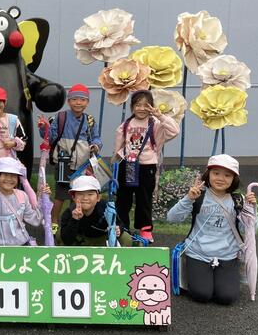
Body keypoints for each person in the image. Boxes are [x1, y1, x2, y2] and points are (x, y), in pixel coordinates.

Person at [166, 154, 258, 305]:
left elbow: (249, 230)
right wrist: (188, 199)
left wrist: (251, 209)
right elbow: (172, 218)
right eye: (216, 173)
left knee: (227, 297)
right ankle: (201, 276)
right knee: (202, 294)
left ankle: (216, 279)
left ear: (234, 179)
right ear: (208, 174)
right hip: (198, 252)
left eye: (227, 175)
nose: (221, 178)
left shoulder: (238, 200)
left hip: (227, 255)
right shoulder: (198, 195)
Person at [113, 89, 179, 242]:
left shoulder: (155, 123)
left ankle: (145, 229)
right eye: (138, 105)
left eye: (145, 105)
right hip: (127, 165)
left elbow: (174, 130)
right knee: (123, 198)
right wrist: (117, 161)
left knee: (144, 198)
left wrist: (160, 116)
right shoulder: (126, 124)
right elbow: (118, 144)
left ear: (151, 106)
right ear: (132, 107)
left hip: (146, 166)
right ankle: (122, 227)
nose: (141, 108)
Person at [39, 83, 102, 226]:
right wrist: (43, 128)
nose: (78, 102)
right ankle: (53, 222)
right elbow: (50, 137)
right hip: (64, 164)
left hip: (83, 166)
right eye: (74, 99)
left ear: (87, 102)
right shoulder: (61, 117)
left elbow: (96, 138)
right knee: (60, 196)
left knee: (79, 195)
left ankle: (73, 222)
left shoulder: (90, 121)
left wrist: (96, 146)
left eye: (82, 99)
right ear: (68, 101)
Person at [0, 156, 47, 246]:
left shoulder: (22, 196)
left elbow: (35, 220)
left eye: (13, 175)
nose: (9, 179)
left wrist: (44, 199)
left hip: (20, 245)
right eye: (5, 175)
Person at [59, 175, 130, 246]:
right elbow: (67, 241)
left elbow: (119, 223)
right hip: (80, 241)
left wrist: (118, 229)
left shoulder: (107, 209)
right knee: (59, 234)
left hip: (103, 239)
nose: (85, 198)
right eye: (80, 194)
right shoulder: (69, 212)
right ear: (73, 197)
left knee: (125, 237)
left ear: (98, 197)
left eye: (90, 194)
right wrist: (74, 220)